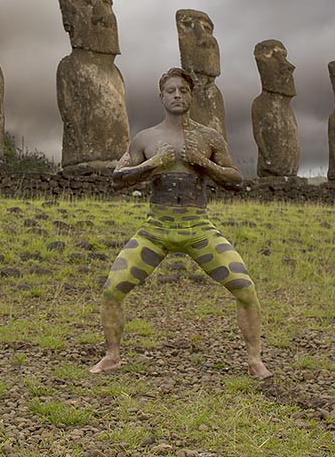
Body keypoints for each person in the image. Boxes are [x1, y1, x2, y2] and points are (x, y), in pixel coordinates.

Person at [90, 67, 272, 379]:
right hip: (155, 230)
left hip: (198, 228)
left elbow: (235, 180)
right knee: (111, 290)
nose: (177, 95)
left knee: (245, 288)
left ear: (191, 96)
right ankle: (112, 355)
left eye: (183, 90)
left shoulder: (209, 137)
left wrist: (203, 163)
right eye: (171, 90)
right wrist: (151, 165)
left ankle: (255, 359)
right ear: (161, 97)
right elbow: (116, 180)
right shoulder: (145, 138)